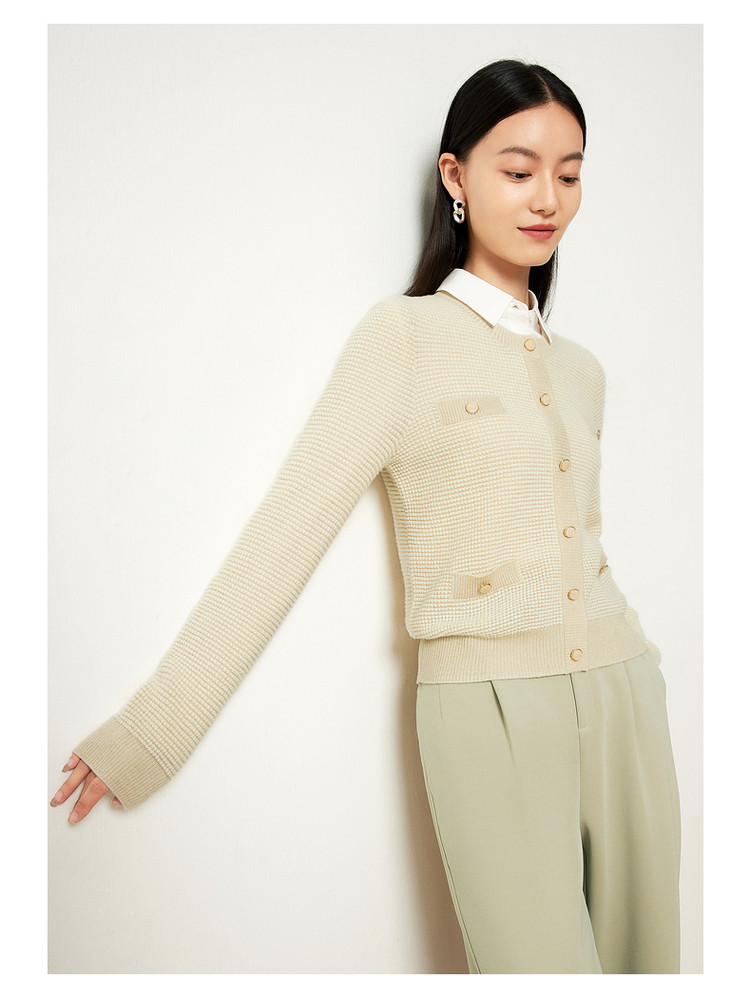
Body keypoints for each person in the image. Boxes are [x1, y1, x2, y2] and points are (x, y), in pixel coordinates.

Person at [50, 59, 681, 974]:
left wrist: (644, 673)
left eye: (570, 173)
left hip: (625, 697)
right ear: (456, 176)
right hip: (487, 712)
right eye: (518, 170)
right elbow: (287, 531)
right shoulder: (402, 339)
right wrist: (151, 733)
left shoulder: (581, 369)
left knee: (650, 968)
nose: (548, 197)